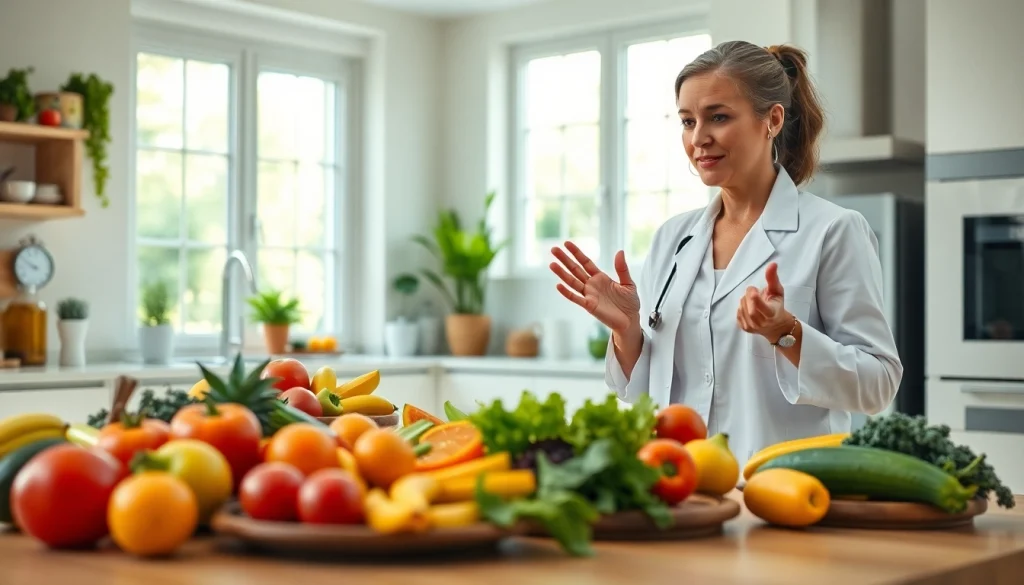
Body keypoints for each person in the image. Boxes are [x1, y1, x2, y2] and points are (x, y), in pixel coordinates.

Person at [548, 40, 903, 469]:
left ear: (771, 120)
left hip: (783, 486)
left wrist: (786, 332)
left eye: (718, 117)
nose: (699, 138)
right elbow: (647, 393)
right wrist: (628, 332)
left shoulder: (833, 231)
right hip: (682, 486)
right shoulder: (672, 239)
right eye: (687, 121)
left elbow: (879, 384)